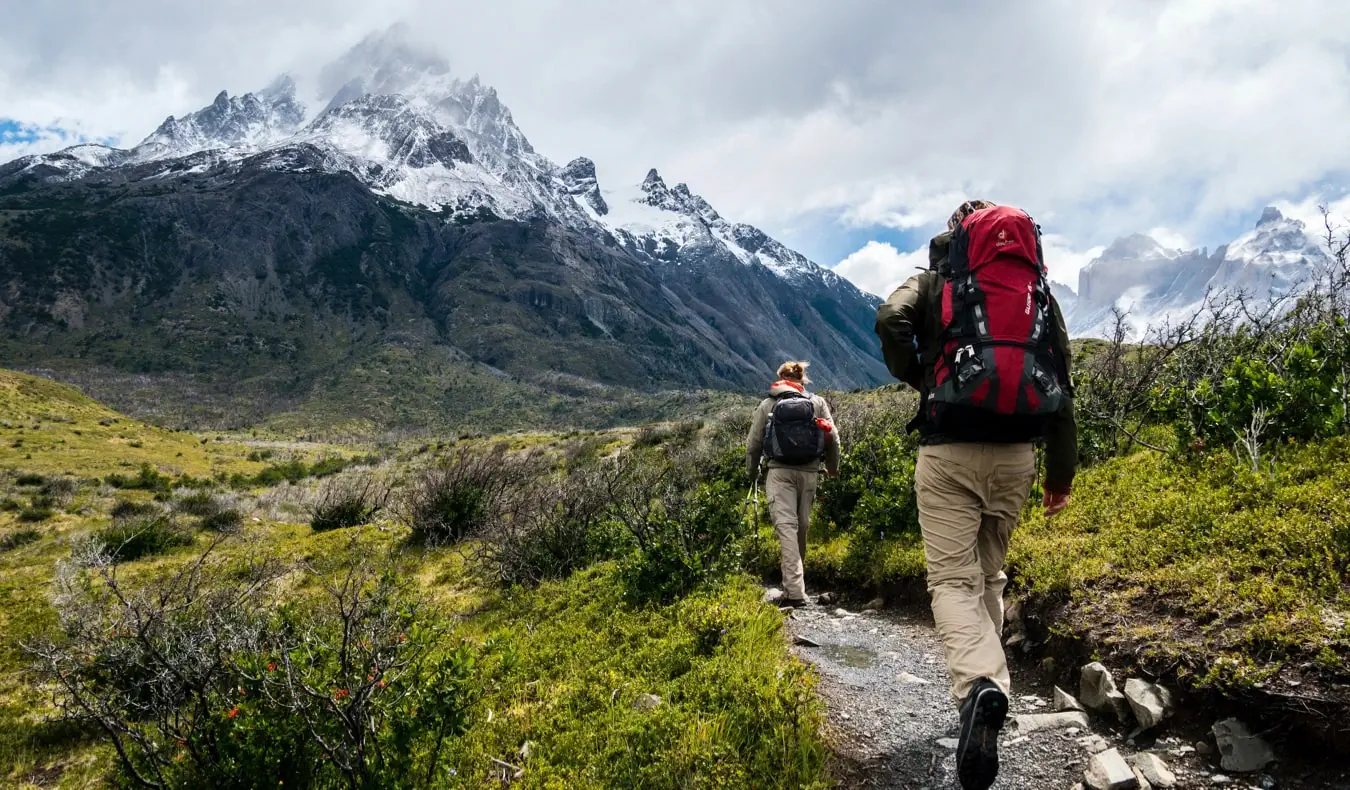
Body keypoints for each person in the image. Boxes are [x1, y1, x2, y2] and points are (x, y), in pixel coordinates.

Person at [874, 200, 1077, 790]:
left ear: (957, 235)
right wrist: (1060, 475)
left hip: (949, 450)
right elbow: (1060, 377)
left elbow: (890, 319)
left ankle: (979, 688)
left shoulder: (937, 280)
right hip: (1018, 455)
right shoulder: (1036, 291)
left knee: (951, 581)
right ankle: (992, 692)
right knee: (989, 575)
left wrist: (920, 374)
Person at [745, 361, 840, 608]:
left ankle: (795, 592)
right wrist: (832, 468)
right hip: (809, 473)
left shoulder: (768, 404)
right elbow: (833, 437)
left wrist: (753, 472)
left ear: (779, 378)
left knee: (786, 527)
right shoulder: (817, 403)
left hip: (779, 473)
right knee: (801, 527)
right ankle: (796, 585)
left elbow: (753, 444)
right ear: (802, 380)